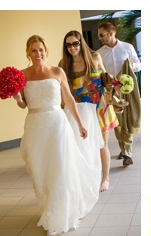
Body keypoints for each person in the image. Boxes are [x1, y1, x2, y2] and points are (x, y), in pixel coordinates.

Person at [13, 35, 100, 236]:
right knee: (40, 170)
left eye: (41, 49)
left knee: (59, 168)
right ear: (28, 52)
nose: (38, 53)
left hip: (57, 125)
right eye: (34, 50)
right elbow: (23, 104)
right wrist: (17, 98)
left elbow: (68, 99)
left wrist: (80, 124)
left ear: (46, 50)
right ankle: (49, 209)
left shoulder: (57, 72)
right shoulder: (22, 75)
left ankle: (58, 218)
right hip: (34, 126)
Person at [60, 30, 118, 193]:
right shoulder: (64, 64)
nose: (72, 47)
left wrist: (115, 84)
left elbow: (105, 78)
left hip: (99, 106)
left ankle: (105, 178)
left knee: (102, 145)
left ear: (81, 43)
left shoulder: (95, 57)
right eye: (68, 45)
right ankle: (86, 177)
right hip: (80, 110)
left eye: (75, 43)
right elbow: (63, 91)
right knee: (82, 145)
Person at [96, 22, 140, 166]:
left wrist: (132, 65)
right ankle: (123, 148)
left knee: (126, 119)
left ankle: (127, 153)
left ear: (111, 33)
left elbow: (139, 65)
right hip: (110, 91)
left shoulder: (127, 47)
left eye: (102, 35)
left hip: (126, 90)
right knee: (117, 122)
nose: (100, 38)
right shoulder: (99, 53)